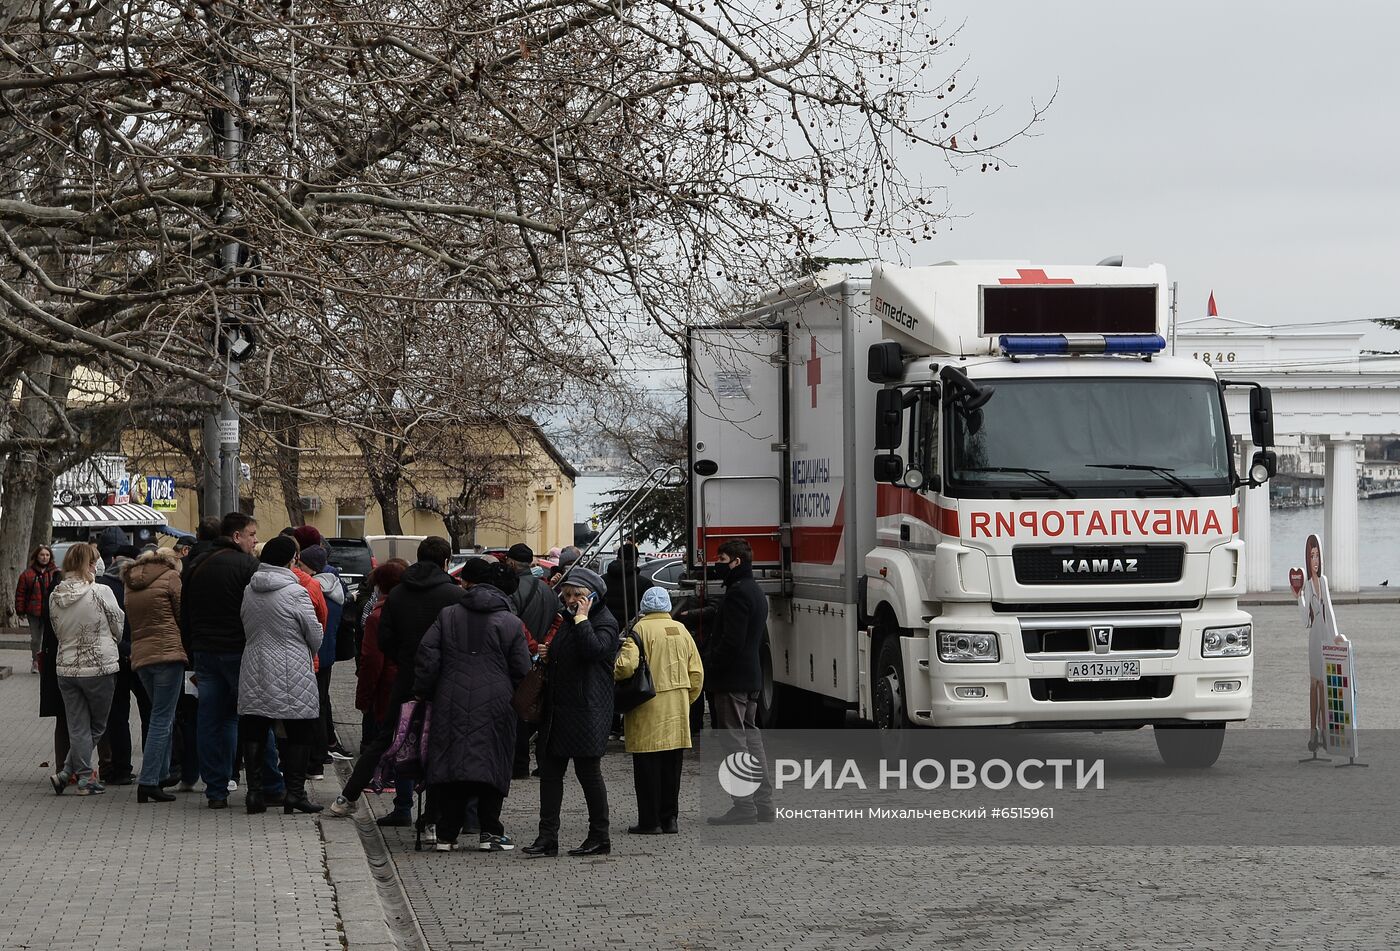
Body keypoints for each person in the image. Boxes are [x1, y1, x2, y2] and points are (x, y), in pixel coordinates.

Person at [327, 537, 463, 830]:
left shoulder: (399, 595)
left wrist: (403, 658)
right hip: (442, 681)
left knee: (388, 739)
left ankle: (348, 797)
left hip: (404, 678)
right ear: (446, 561)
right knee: (439, 745)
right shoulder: (454, 595)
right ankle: (434, 818)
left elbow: (384, 640)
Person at [414, 561, 531, 852]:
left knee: (453, 763)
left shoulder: (448, 615)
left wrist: (425, 691)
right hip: (497, 702)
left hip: (450, 697)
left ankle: (446, 834)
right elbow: (521, 669)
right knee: (493, 762)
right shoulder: (511, 623)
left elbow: (427, 655)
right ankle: (490, 831)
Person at [183, 513, 284, 809]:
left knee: (209, 720)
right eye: (252, 534)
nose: (255, 541)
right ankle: (271, 784)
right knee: (256, 717)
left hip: (204, 652)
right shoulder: (247, 566)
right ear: (236, 536)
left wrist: (192, 652)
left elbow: (185, 614)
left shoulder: (195, 565)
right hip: (240, 652)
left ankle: (215, 791)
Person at [524, 566, 619, 858]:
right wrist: (548, 653)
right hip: (559, 710)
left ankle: (599, 836)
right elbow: (569, 654)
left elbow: (594, 650)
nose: (571, 600)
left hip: (587, 711)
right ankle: (547, 837)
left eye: (577, 595)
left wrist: (581, 619)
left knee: (588, 774)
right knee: (550, 774)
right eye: (567, 595)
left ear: (592, 596)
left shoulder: (603, 621)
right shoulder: (567, 620)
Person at [238, 535, 324, 814]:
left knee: (255, 727)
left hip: (254, 663)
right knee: (300, 728)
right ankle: (295, 794)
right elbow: (314, 634)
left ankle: (254, 794)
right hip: (292, 667)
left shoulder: (250, 589)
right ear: (292, 560)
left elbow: (245, 624)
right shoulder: (296, 592)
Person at [614, 587, 703, 835]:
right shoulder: (682, 630)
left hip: (647, 709)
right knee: (672, 767)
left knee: (647, 767)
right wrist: (687, 698)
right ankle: (670, 820)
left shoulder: (639, 630)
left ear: (644, 605)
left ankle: (649, 822)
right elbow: (696, 673)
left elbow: (625, 667)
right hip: (677, 708)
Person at [704, 539, 774, 825]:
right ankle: (764, 804)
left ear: (736, 562)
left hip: (732, 679)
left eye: (721, 559)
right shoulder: (755, 591)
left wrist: (708, 663)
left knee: (734, 743)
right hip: (751, 676)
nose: (716, 565)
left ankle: (745, 805)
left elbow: (731, 643)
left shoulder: (736, 594)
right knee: (752, 739)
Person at [47, 543, 123, 795]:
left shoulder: (56, 594)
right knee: (97, 726)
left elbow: (57, 630)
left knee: (77, 726)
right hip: (99, 665)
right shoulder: (101, 591)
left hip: (66, 666)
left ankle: (66, 773)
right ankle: (84, 778)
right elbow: (117, 625)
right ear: (89, 564)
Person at [122, 548, 186, 803]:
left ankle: (160, 775)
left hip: (141, 655)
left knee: (160, 715)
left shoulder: (130, 583)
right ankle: (149, 781)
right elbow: (181, 612)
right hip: (168, 653)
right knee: (162, 718)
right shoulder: (171, 577)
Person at [94, 537, 150, 786]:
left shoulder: (102, 585)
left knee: (117, 715)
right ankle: (153, 765)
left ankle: (121, 768)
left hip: (115, 655)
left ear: (114, 560)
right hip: (143, 654)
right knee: (151, 711)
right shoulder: (144, 584)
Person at [505, 543, 563, 779]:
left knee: (519, 709)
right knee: (542, 710)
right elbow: (559, 619)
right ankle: (545, 763)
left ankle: (519, 765)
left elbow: (511, 624)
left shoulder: (513, 590)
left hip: (521, 656)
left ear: (510, 562)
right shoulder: (548, 590)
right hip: (543, 657)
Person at [300, 544, 349, 771]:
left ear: (312, 568)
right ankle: (322, 750)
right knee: (320, 702)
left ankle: (317, 754)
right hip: (328, 652)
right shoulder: (335, 590)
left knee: (314, 705)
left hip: (316, 653)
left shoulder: (314, 590)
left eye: (301, 565)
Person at [355, 560, 408, 748]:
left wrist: (363, 699)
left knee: (381, 748)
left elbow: (371, 661)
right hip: (410, 689)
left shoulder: (377, 617)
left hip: (386, 692)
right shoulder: (411, 609)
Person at [1299, 533, 1336, 752]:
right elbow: (1306, 619)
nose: (1314, 560)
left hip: (1325, 635)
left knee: (1323, 684)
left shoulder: (1323, 582)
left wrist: (1336, 636)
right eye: (1311, 555)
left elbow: (1329, 611)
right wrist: (1298, 598)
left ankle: (1324, 729)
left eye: (1317, 555)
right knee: (1314, 683)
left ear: (1320, 558)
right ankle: (1313, 731)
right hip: (1314, 637)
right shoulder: (1307, 585)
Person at [16, 544, 60, 674]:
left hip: (51, 612)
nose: (44, 557)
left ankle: (49, 661)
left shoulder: (55, 573)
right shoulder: (27, 574)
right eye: (42, 555)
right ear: (36, 556)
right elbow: (20, 593)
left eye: (47, 555)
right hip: (33, 612)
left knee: (50, 638)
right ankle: (36, 661)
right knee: (36, 639)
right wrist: (20, 611)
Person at [603, 542, 646, 625]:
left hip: (606, 628)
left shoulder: (601, 581)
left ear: (617, 558)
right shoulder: (644, 584)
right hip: (634, 629)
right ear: (636, 560)